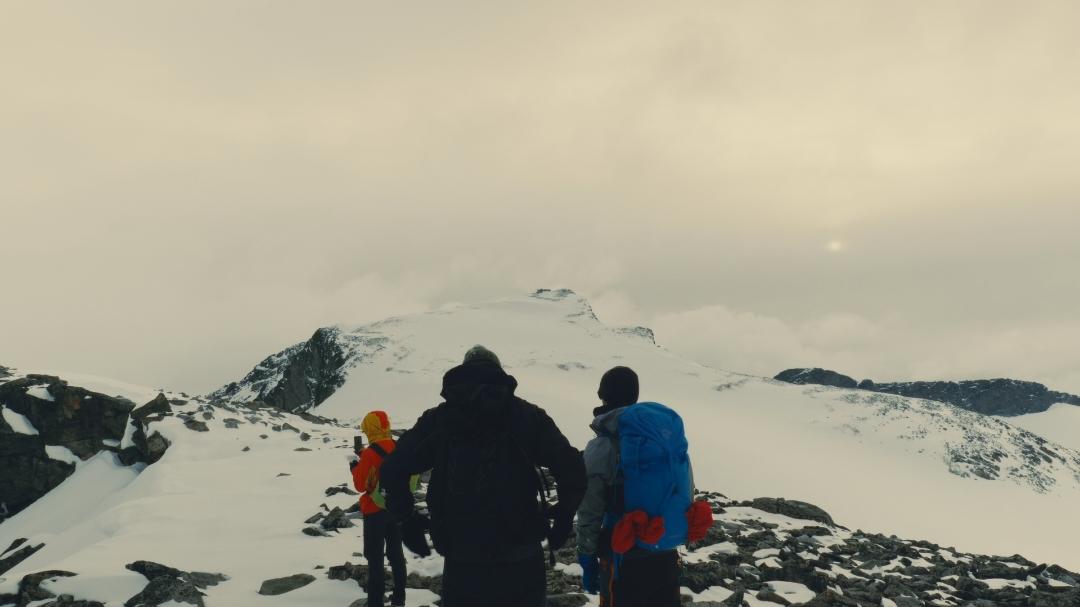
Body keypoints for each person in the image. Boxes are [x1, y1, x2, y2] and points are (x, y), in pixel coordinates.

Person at [380, 345, 587, 607]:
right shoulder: (527, 415)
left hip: (462, 559)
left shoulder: (439, 420)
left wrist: (407, 519)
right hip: (521, 555)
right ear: (499, 373)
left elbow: (393, 468)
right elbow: (571, 467)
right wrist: (565, 514)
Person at [576, 366, 711, 607]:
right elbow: (686, 489)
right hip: (665, 550)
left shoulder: (604, 444)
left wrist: (587, 555)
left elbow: (590, 505)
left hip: (623, 552)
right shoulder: (664, 438)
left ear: (602, 395)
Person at [351, 410, 408, 607]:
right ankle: (399, 600)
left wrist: (354, 467)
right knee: (396, 556)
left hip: (374, 512)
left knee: (375, 560)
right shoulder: (397, 446)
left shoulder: (369, 453)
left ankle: (376, 602)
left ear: (370, 428)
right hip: (395, 507)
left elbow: (361, 485)